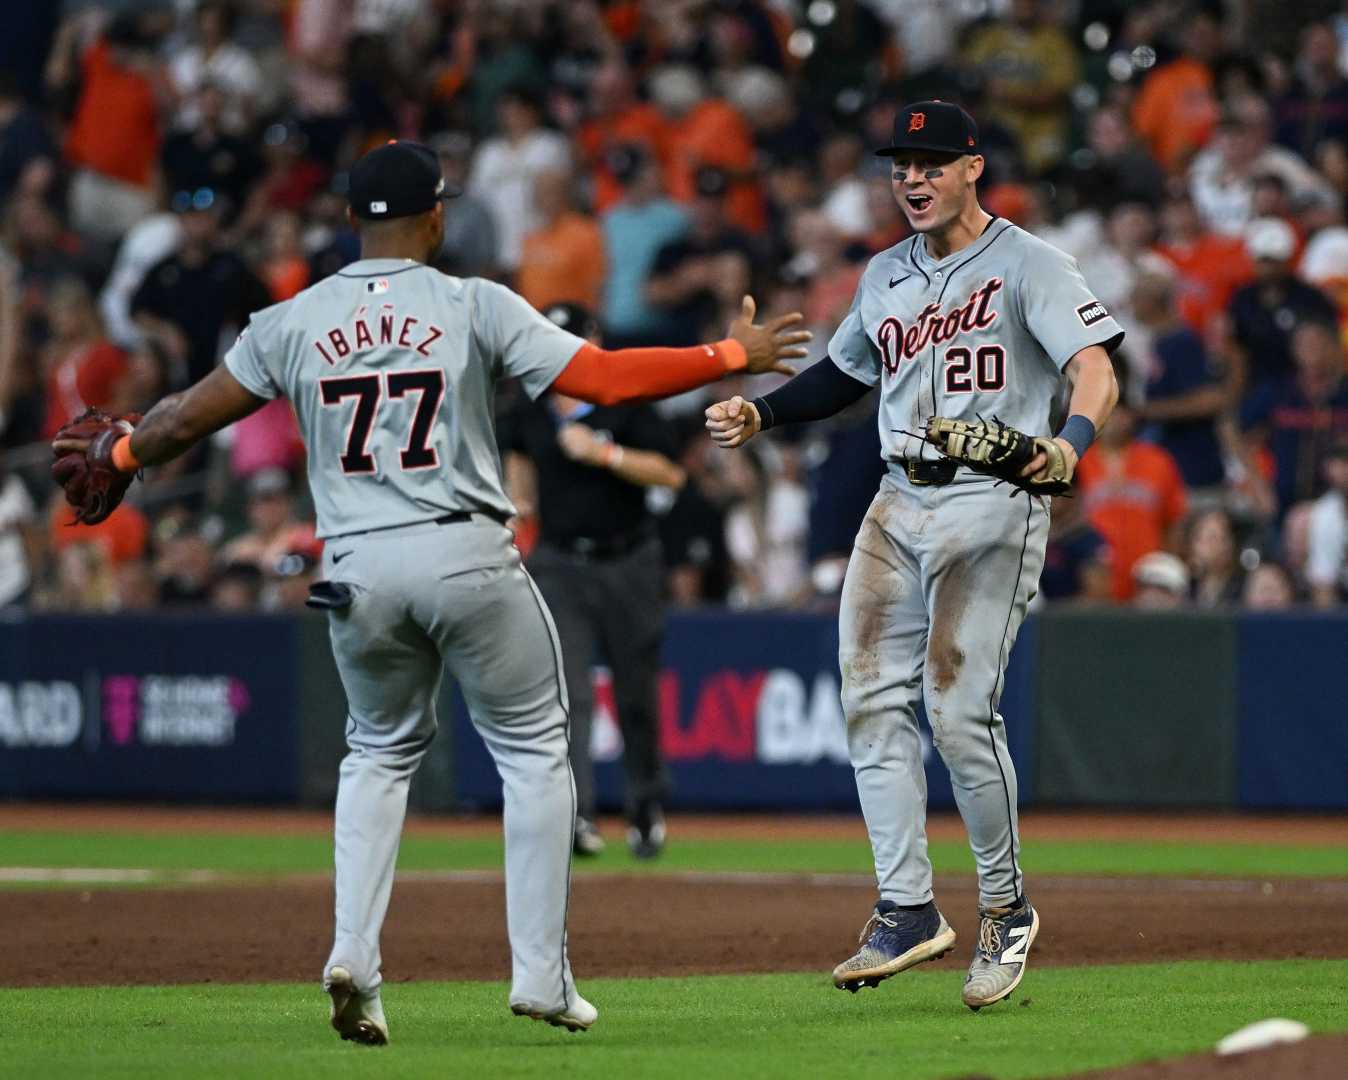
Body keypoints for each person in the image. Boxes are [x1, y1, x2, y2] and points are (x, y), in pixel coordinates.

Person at [52, 141, 808, 1043]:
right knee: (535, 752)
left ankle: (353, 956)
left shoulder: (293, 318)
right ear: (437, 217)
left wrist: (122, 452)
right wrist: (731, 351)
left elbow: (183, 416)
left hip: (355, 567)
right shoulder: (473, 303)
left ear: (349, 220)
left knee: (375, 754)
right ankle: (540, 978)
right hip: (463, 552)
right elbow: (602, 379)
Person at [705, 101, 1121, 1011]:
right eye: (901, 166)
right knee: (866, 698)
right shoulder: (886, 272)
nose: (913, 179)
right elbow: (844, 374)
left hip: (993, 495)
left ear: (973, 167)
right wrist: (761, 411)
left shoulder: (1029, 263)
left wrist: (1071, 443)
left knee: (959, 712)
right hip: (898, 497)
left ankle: (1005, 909)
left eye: (932, 162)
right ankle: (906, 908)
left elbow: (1095, 365)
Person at [502, 302, 682, 859]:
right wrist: (513, 508)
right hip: (559, 563)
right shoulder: (528, 407)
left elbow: (670, 474)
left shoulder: (625, 395)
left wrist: (605, 452)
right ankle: (577, 814)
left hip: (628, 559)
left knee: (635, 693)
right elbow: (519, 476)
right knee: (568, 693)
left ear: (594, 340)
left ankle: (645, 805)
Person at [1076, 362, 1188, 601]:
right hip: (1094, 584)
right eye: (1109, 409)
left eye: (1121, 411)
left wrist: (1168, 571)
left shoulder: (1158, 460)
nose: (1115, 418)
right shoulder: (1078, 459)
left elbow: (1175, 520)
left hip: (1149, 584)